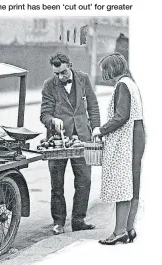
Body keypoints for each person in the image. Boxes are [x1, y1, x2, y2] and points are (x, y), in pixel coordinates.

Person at [40, 52, 101, 235]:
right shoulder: (49, 85)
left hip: (82, 138)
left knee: (84, 180)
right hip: (59, 142)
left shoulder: (83, 79)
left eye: (63, 73)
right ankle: (58, 222)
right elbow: (44, 114)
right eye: (57, 74)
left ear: (70, 65)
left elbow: (93, 106)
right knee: (56, 183)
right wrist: (52, 121)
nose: (60, 77)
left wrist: (96, 129)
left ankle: (78, 220)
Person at [92, 53, 145, 245]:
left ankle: (119, 231)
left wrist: (101, 129)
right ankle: (129, 228)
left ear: (111, 69)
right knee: (131, 184)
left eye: (105, 69)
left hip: (128, 139)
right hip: (136, 135)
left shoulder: (122, 84)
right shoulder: (130, 82)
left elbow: (121, 115)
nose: (104, 74)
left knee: (122, 184)